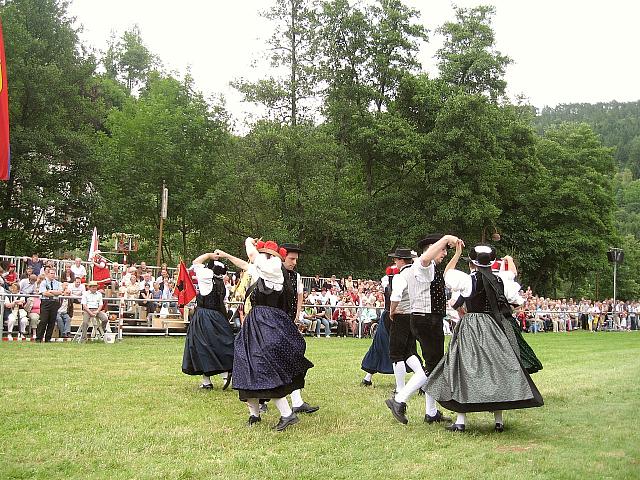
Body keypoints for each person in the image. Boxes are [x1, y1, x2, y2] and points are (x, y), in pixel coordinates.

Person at [425, 245, 544, 432]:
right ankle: (499, 421)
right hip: (495, 326)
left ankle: (461, 421)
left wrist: (456, 253)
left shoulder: (468, 280)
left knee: (463, 369)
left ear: (472, 262)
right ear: (492, 261)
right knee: (497, 370)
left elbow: (447, 273)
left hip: (472, 326)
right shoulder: (500, 279)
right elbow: (513, 299)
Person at [222, 238, 314, 431]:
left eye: (268, 254)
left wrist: (249, 242)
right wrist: (228, 256)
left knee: (263, 366)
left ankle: (286, 414)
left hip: (266, 323)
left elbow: (252, 256)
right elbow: (247, 264)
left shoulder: (273, 269)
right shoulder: (264, 269)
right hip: (258, 323)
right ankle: (254, 415)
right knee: (245, 361)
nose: (266, 257)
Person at [385, 234, 460, 426]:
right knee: (432, 367)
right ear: (433, 248)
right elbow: (426, 258)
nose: (444, 253)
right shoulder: (422, 264)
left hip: (427, 319)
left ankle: (431, 412)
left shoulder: (428, 267)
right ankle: (399, 400)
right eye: (442, 250)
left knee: (433, 366)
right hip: (426, 319)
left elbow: (445, 273)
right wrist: (445, 238)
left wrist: (457, 252)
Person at [181, 252, 234, 390]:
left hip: (204, 316)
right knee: (220, 344)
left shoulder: (206, 277)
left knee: (201, 347)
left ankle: (206, 381)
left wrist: (210, 255)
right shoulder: (222, 283)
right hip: (218, 317)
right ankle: (224, 375)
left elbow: (196, 261)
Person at [280, 243, 320, 415]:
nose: (295, 262)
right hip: (271, 323)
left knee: (293, 359)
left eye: (296, 259)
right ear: (282, 257)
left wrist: (296, 315)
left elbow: (299, 295)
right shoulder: (272, 273)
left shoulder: (296, 276)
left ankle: (297, 402)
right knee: (269, 361)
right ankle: (260, 401)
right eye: (292, 258)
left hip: (287, 323)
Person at [385, 248, 420, 397]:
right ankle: (422, 378)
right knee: (409, 351)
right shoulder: (418, 275)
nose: (395, 262)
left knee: (396, 353)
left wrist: (392, 311)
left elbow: (396, 296)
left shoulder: (401, 276)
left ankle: (400, 387)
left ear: (401, 260)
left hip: (402, 315)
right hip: (415, 315)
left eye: (396, 259)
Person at [360, 266, 397, 386]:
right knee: (404, 348)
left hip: (389, 315)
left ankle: (367, 378)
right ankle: (367, 378)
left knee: (379, 346)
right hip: (393, 316)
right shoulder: (398, 284)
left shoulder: (390, 284)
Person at [35, 268, 64, 342]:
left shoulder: (58, 283)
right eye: (51, 273)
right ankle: (39, 338)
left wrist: (50, 291)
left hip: (54, 303)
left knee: (52, 321)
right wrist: (54, 293)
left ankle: (48, 338)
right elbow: (44, 293)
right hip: (45, 302)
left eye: (54, 273)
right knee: (43, 321)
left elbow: (60, 292)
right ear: (47, 274)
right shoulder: (43, 283)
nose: (53, 275)